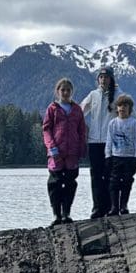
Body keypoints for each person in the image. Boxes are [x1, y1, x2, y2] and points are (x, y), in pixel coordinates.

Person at [81, 67, 136, 219]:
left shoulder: (119, 95)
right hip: (94, 141)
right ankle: (97, 208)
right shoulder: (92, 95)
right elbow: (80, 111)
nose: (103, 80)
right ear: (98, 79)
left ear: (111, 79)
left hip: (111, 144)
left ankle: (110, 207)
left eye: (106, 77)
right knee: (95, 176)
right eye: (100, 77)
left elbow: (133, 113)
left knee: (109, 176)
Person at [42, 77, 88, 226]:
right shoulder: (52, 108)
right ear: (58, 92)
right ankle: (56, 215)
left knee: (70, 183)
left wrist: (82, 148)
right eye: (63, 90)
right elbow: (46, 129)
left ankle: (66, 213)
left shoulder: (77, 109)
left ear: (72, 92)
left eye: (68, 90)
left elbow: (82, 130)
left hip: (72, 153)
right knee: (54, 184)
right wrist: (51, 146)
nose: (66, 92)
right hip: (56, 152)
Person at [105, 94, 136, 216]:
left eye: (125, 105)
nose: (122, 108)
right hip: (116, 157)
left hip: (129, 158)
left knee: (127, 182)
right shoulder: (112, 123)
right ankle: (114, 207)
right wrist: (107, 156)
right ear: (116, 108)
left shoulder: (134, 123)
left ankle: (124, 205)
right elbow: (109, 141)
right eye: (119, 105)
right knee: (114, 182)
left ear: (130, 108)